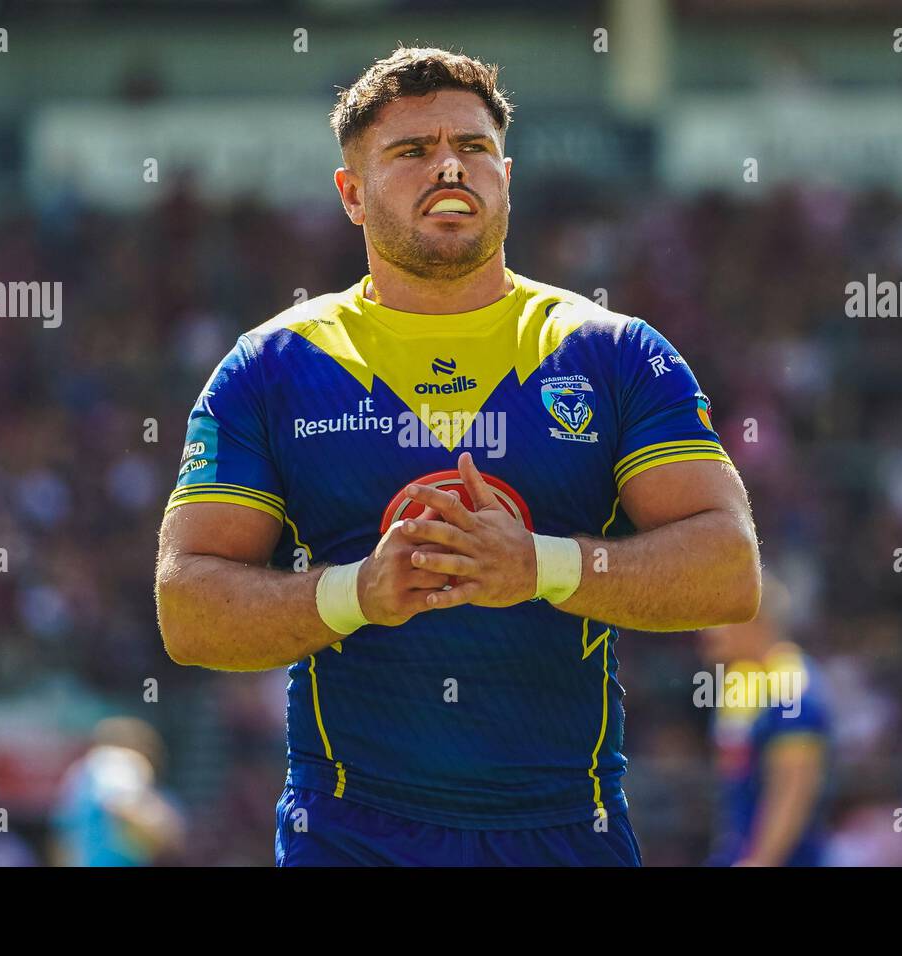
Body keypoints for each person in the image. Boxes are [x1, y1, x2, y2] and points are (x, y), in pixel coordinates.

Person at [154, 46, 761, 866]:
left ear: (504, 177)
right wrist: (358, 592)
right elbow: (187, 608)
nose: (449, 167)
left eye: (472, 147)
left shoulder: (614, 353)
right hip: (351, 836)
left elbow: (730, 571)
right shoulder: (271, 368)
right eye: (412, 150)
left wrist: (539, 566)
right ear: (351, 194)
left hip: (565, 831)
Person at [698, 576, 830, 866]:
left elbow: (795, 786)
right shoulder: (740, 680)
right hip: (736, 851)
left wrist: (762, 860)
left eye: (718, 619)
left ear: (752, 620)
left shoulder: (791, 683)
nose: (707, 630)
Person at [51, 717, 184, 866]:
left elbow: (60, 840)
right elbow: (125, 806)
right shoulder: (116, 761)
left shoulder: (78, 773)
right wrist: (167, 833)